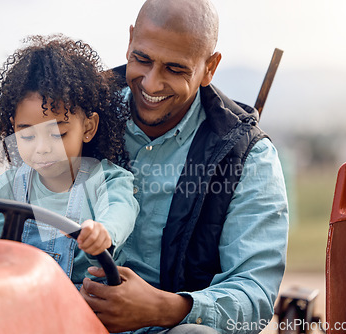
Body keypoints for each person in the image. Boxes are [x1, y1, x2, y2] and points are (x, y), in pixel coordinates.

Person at [80, 0, 289, 333]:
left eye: (175, 69)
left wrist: (163, 309)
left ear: (210, 67)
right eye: (142, 59)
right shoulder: (75, 112)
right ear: (130, 40)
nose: (150, 83)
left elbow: (255, 293)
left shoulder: (249, 155)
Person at [0, 35, 139, 286]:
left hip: (89, 312)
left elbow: (119, 210)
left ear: (88, 127)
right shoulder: (5, 190)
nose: (42, 148)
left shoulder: (107, 180)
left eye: (58, 134)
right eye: (26, 135)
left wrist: (104, 232)